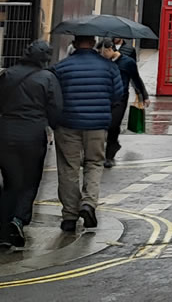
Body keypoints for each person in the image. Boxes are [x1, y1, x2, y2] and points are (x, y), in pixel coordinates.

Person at [51, 36, 122, 234]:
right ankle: (88, 204)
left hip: (68, 124)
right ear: (93, 44)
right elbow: (117, 95)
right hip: (97, 125)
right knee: (94, 163)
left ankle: (69, 217)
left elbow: (53, 96)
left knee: (68, 168)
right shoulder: (108, 67)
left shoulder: (62, 67)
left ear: (74, 43)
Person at [0, 41, 62, 249]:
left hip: (6, 132)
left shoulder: (7, 74)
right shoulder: (48, 78)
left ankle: (2, 227)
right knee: (30, 179)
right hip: (33, 134)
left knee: (10, 181)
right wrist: (53, 128)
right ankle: (18, 220)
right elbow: (55, 109)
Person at [105, 37, 149, 168]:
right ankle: (108, 149)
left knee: (114, 124)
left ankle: (109, 154)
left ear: (109, 49)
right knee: (104, 125)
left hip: (121, 97)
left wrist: (143, 95)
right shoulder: (103, 61)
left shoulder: (128, 59)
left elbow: (135, 77)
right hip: (105, 96)